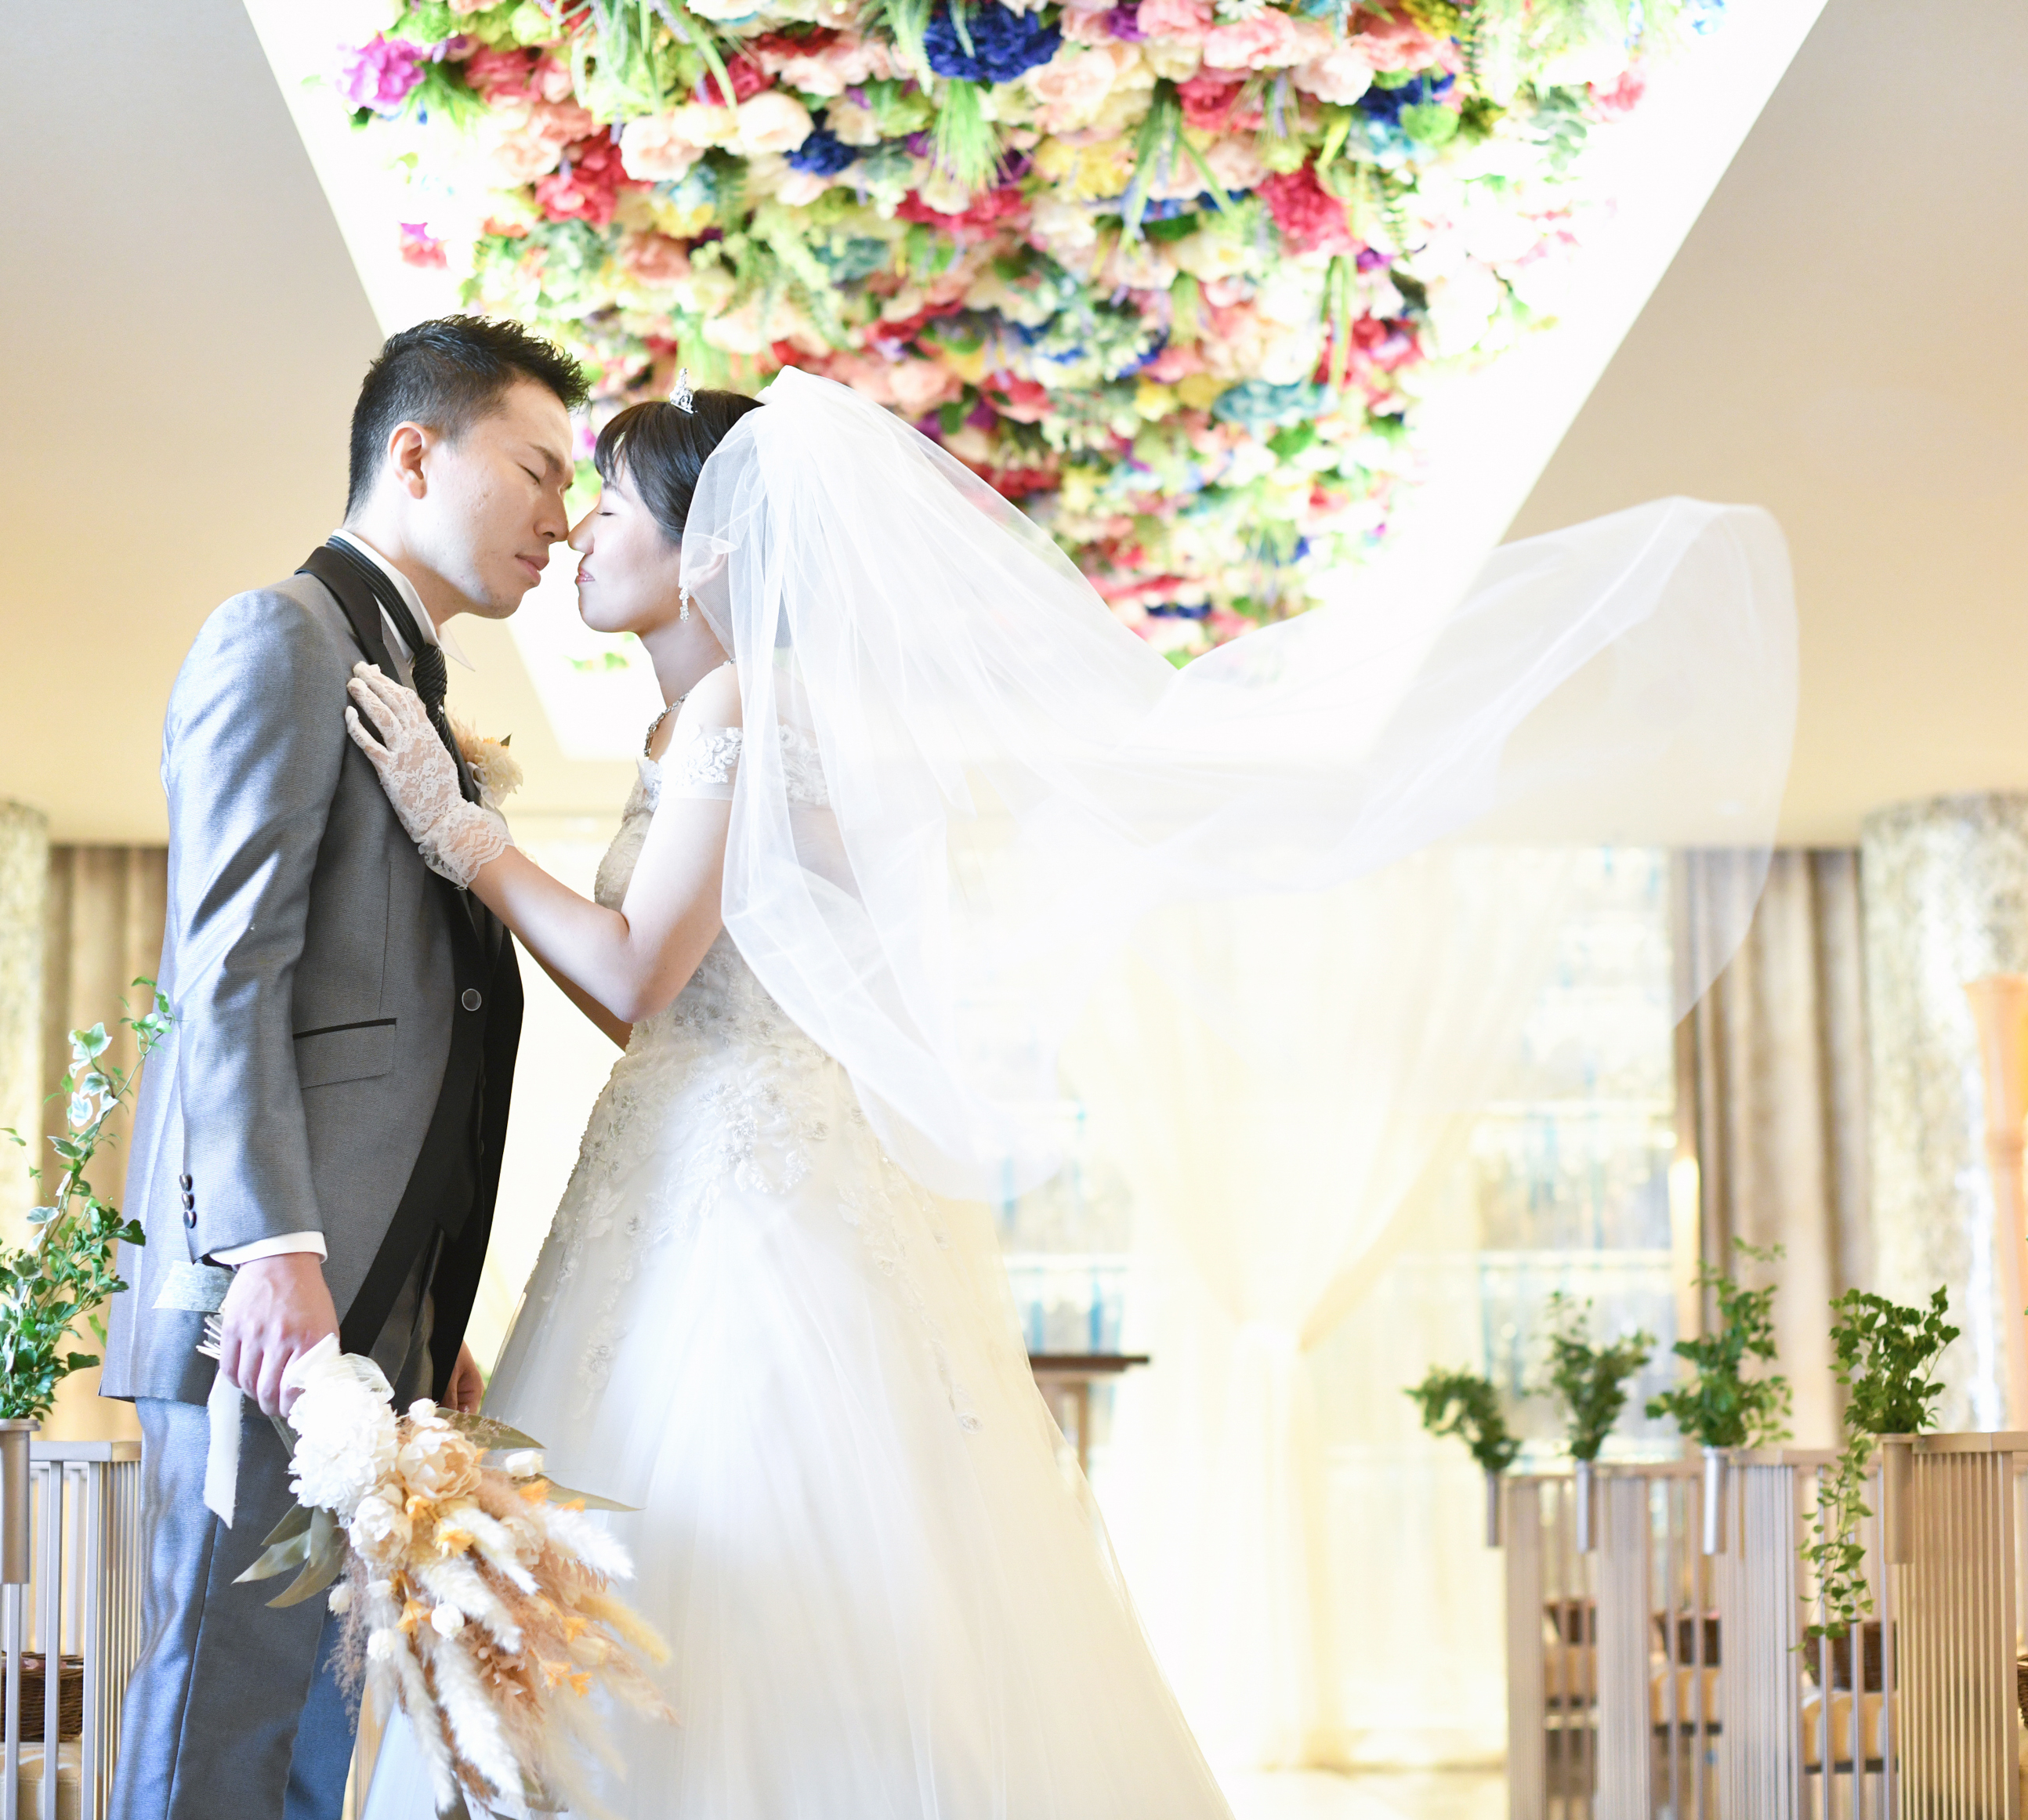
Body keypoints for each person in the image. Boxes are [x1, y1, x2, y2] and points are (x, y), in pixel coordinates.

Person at [346, 367, 1795, 1815]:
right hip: (680, 1157)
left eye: (611, 503)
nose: (580, 531)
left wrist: (457, 830)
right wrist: (482, 849)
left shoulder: (743, 702)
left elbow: (633, 964)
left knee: (746, 1553)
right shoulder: (692, 724)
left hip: (747, 1200)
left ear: (710, 542)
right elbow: (648, 1002)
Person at [100, 315, 585, 1820]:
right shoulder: (284, 634)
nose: (564, 519)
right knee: (219, 1721)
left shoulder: (408, 682)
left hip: (372, 1303)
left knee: (314, 1739)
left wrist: (424, 1302)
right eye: (539, 470)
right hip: (273, 1300)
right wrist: (272, 1251)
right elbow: (225, 966)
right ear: (416, 453)